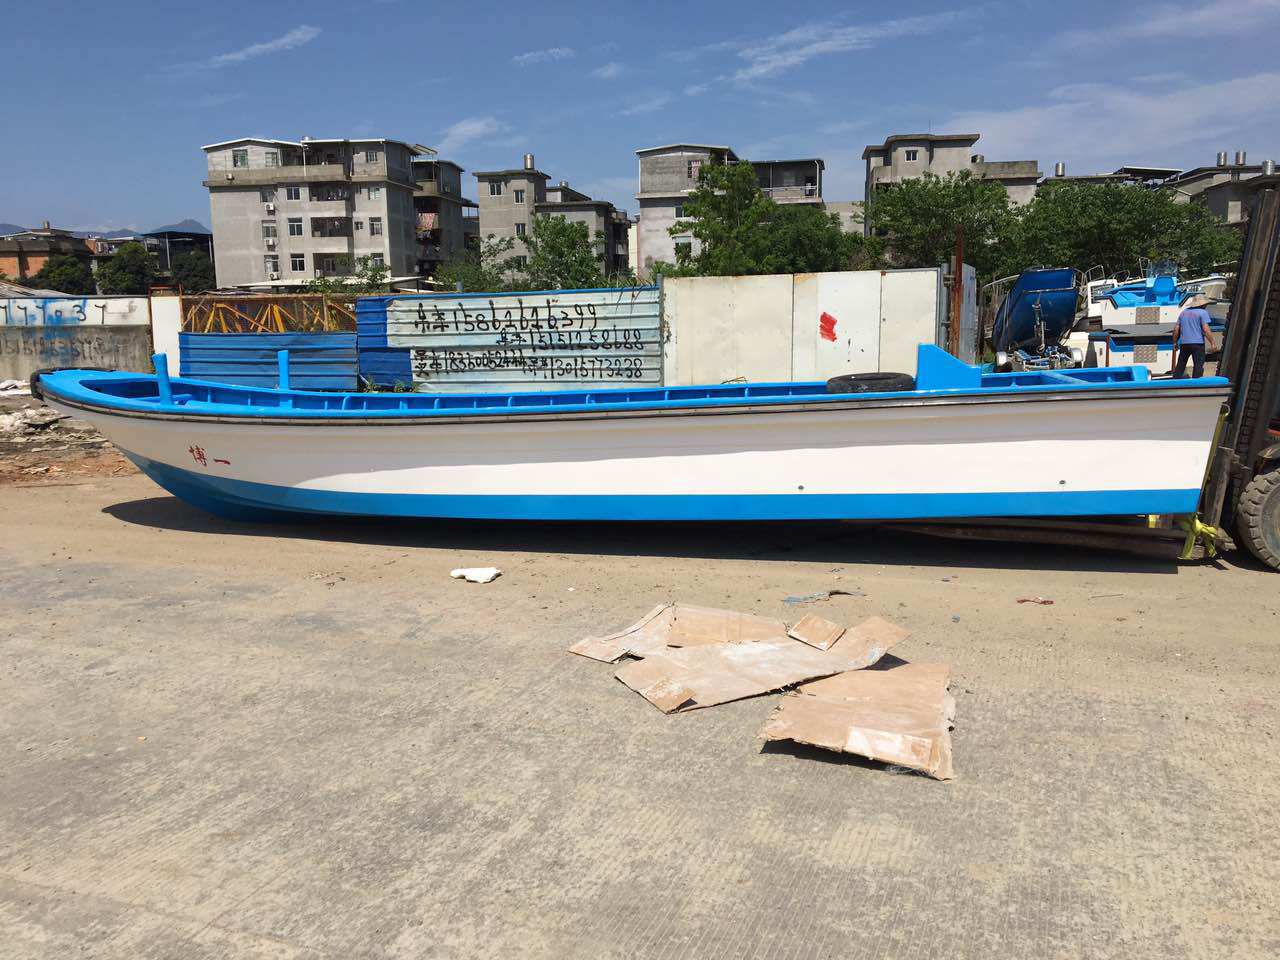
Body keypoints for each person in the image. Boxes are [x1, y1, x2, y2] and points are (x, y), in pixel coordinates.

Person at [1172, 295, 1217, 379]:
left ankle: (1176, 381)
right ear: (1203, 304)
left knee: (1181, 364)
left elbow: (1176, 329)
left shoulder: (1184, 312)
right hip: (1198, 343)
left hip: (1184, 343)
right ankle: (1196, 382)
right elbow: (1206, 329)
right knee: (1198, 365)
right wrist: (1212, 343)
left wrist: (1175, 342)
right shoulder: (1203, 312)